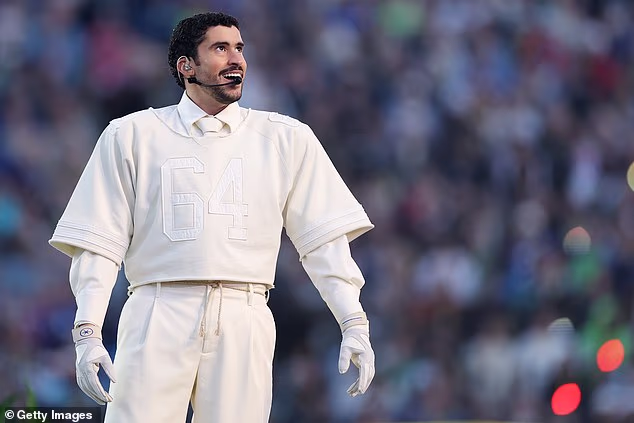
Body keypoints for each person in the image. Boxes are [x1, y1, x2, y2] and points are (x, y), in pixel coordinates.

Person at [49, 11, 375, 423]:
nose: (236, 59)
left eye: (239, 48)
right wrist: (87, 331)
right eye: (220, 48)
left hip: (246, 310)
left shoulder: (286, 138)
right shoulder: (130, 134)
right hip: (156, 305)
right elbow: (99, 244)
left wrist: (353, 320)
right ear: (186, 66)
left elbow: (323, 242)